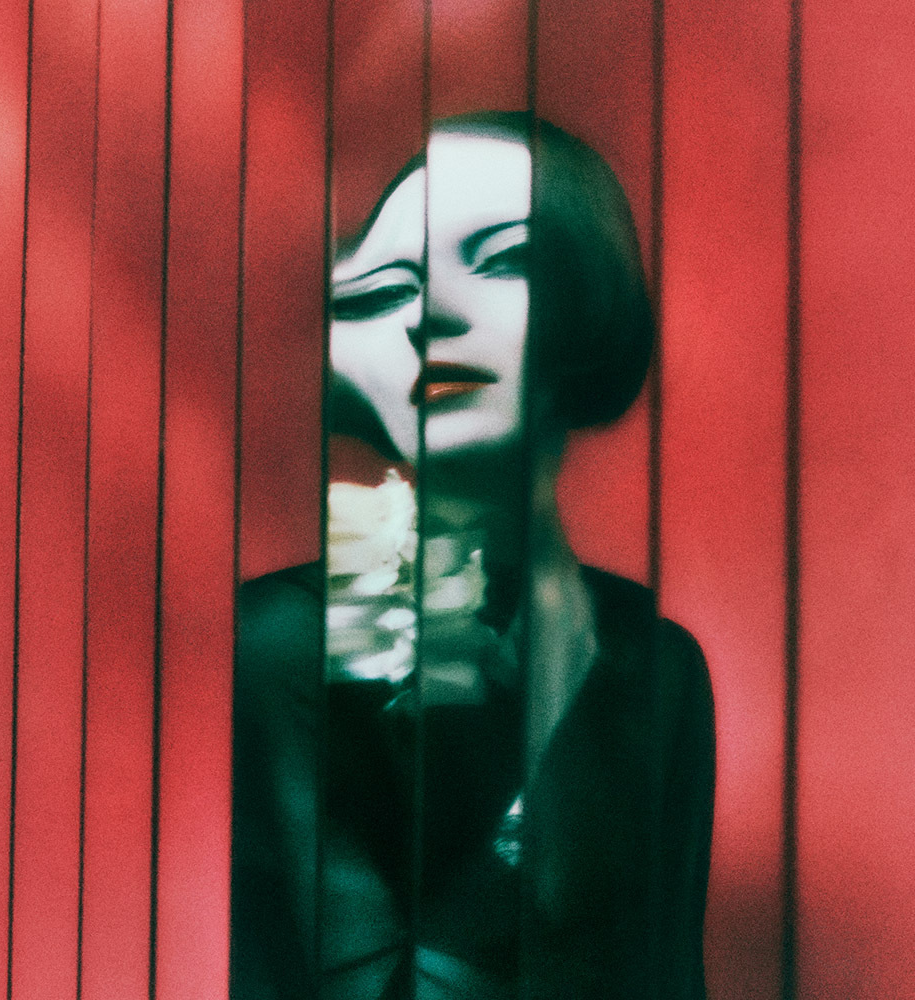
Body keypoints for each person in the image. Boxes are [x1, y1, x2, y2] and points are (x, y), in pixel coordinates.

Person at [230, 112, 715, 1000]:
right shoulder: (294, 638)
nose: (433, 317)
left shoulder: (657, 665)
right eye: (386, 290)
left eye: (502, 259)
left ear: (590, 299)